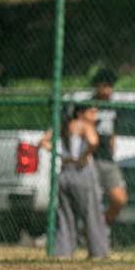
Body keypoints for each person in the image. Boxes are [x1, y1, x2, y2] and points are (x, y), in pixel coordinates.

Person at [38, 103, 110, 259]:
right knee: (92, 212)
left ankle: (63, 252)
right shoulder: (84, 126)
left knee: (65, 214)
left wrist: (61, 155)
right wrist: (83, 157)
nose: (95, 117)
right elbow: (93, 141)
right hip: (82, 171)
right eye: (92, 112)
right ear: (80, 113)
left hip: (64, 173)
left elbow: (43, 141)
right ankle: (98, 252)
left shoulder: (63, 126)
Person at [90, 69, 128, 226]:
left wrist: (112, 146)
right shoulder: (87, 107)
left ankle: (99, 226)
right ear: (98, 86)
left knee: (120, 198)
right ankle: (89, 230)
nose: (109, 90)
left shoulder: (113, 106)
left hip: (107, 159)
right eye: (105, 86)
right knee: (91, 201)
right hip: (90, 159)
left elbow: (113, 131)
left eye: (111, 86)